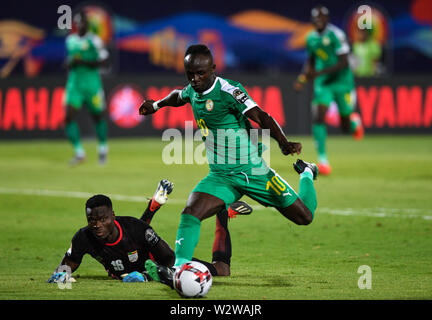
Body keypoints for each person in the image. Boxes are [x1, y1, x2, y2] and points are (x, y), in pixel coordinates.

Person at [138, 44, 319, 288]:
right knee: (190, 213)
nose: (195, 78)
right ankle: (178, 270)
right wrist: (157, 105)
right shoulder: (192, 89)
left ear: (213, 69)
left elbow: (262, 116)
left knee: (304, 217)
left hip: (254, 172)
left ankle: (307, 172)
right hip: (221, 177)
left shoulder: (229, 91)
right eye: (190, 73)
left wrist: (283, 143)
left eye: (201, 73)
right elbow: (177, 96)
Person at [47, 180, 251, 284]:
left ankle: (224, 211)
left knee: (223, 270)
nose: (97, 225)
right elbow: (67, 266)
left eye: (103, 219)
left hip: (156, 262)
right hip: (129, 260)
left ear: (113, 216)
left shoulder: (135, 229)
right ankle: (153, 205)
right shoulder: (83, 237)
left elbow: (170, 260)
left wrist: (147, 276)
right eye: (92, 220)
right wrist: (60, 275)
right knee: (135, 234)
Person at [294, 5, 364, 175]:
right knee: (318, 116)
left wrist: (319, 72)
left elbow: (343, 62)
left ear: (327, 19)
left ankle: (354, 123)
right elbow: (311, 60)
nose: (318, 21)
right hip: (323, 83)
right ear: (312, 21)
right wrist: (303, 78)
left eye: (321, 18)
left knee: (345, 127)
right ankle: (323, 160)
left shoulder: (336, 35)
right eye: (315, 19)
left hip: (342, 82)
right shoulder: (311, 38)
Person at [63, 10, 110, 166]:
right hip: (75, 85)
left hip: (92, 85)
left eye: (82, 22)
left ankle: (103, 150)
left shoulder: (94, 41)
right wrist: (69, 63)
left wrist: (82, 61)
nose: (79, 25)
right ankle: (79, 153)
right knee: (69, 117)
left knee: (98, 117)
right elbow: (70, 62)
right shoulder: (70, 41)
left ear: (87, 24)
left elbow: (105, 63)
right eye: (77, 23)